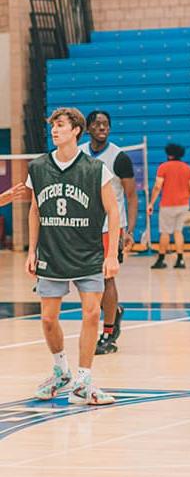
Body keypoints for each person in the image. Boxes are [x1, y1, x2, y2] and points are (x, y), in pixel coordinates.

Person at [25, 108, 121, 405]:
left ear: (76, 130)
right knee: (48, 318)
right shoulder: (38, 167)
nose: (55, 131)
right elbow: (35, 210)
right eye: (53, 126)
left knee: (91, 313)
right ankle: (61, 370)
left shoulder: (94, 168)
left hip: (88, 252)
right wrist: (31, 250)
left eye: (61, 126)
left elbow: (113, 211)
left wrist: (111, 254)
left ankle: (84, 380)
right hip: (51, 254)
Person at [80, 110, 137, 355]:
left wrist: (130, 230)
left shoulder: (119, 157)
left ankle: (108, 333)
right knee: (87, 279)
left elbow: (131, 195)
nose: (102, 127)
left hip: (110, 227)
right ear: (87, 128)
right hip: (84, 226)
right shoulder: (78, 154)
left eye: (106, 124)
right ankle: (112, 312)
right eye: (97, 124)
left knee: (106, 278)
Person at [148, 142, 190, 269]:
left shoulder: (163, 167)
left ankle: (161, 260)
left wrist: (151, 203)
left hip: (167, 204)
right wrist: (185, 197)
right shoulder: (187, 168)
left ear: (169, 154)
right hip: (183, 204)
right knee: (178, 231)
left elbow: (158, 186)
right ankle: (180, 260)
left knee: (165, 232)